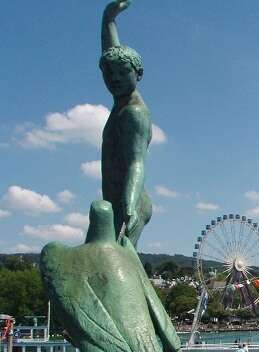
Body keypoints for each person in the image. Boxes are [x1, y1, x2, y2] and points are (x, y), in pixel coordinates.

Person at [100, 0, 153, 247]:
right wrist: (109, 19)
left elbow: (136, 163)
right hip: (115, 201)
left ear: (138, 74)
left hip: (128, 202)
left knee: (119, 259)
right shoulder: (120, 100)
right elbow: (112, 54)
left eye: (122, 73)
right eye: (109, 74)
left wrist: (129, 203)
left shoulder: (133, 113)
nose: (115, 79)